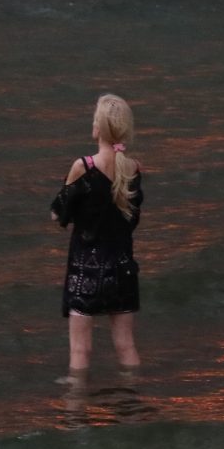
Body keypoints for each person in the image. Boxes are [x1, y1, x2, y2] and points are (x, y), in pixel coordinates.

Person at [50, 93, 144, 383]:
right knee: (126, 346)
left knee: (81, 352)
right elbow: (132, 218)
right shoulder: (133, 169)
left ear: (97, 129)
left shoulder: (83, 167)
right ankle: (133, 405)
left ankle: (76, 414)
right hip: (123, 269)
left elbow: (58, 214)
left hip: (86, 271)